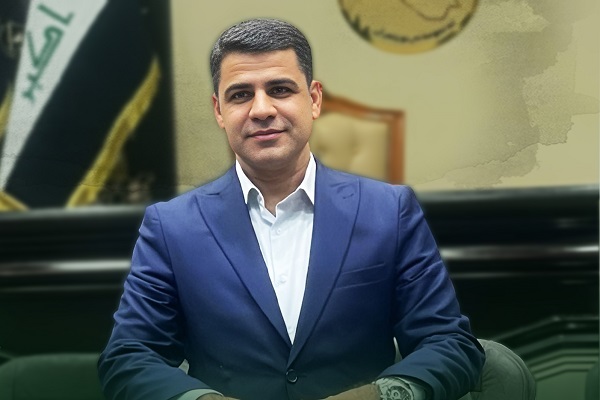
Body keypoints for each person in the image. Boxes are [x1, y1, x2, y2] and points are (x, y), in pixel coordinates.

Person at [98, 18, 485, 400]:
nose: (261, 109)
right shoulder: (171, 226)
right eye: (240, 95)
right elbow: (130, 357)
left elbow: (449, 343)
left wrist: (379, 396)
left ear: (314, 99)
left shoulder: (390, 211)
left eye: (280, 89)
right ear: (219, 111)